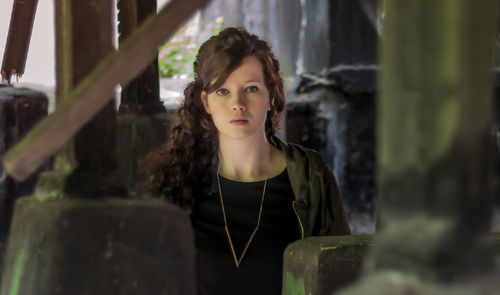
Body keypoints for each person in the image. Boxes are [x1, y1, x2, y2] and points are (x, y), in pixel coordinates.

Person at [140, 27, 350, 295]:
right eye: (223, 91)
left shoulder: (311, 177)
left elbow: (342, 275)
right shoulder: (176, 178)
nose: (237, 103)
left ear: (271, 96)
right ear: (205, 102)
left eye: (251, 89)